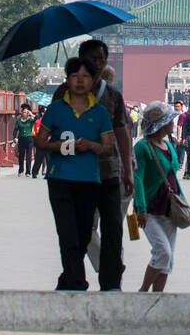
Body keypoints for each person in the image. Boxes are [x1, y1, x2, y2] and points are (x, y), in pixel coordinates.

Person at [35, 56, 113, 291]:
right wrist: (57, 145)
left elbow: (107, 147)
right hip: (60, 178)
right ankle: (78, 282)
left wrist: (90, 145)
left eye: (85, 76)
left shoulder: (99, 112)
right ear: (67, 80)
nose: (80, 81)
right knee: (67, 233)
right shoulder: (56, 109)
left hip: (89, 179)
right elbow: (39, 141)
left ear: (93, 81)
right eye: (74, 76)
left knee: (83, 234)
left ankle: (67, 279)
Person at [77, 39, 135, 292]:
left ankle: (110, 279)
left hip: (111, 174)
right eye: (93, 58)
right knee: (82, 229)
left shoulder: (113, 97)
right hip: (78, 175)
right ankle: (96, 270)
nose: (98, 63)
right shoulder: (67, 94)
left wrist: (129, 174)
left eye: (102, 59)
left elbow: (124, 135)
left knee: (114, 229)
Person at [134, 101, 186, 292]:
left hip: (169, 208)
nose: (174, 122)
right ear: (161, 123)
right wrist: (140, 208)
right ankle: (143, 291)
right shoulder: (142, 148)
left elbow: (172, 176)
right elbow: (137, 179)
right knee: (162, 252)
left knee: (168, 258)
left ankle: (157, 297)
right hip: (149, 209)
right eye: (169, 120)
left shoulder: (168, 145)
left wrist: (182, 201)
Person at [14, 102, 35, 176]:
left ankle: (28, 171)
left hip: (29, 139)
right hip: (21, 139)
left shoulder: (31, 120)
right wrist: (14, 137)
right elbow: (15, 130)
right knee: (21, 156)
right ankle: (21, 170)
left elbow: (38, 120)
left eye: (26, 112)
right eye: (23, 112)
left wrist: (32, 115)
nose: (24, 113)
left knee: (29, 156)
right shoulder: (19, 121)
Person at [31, 108, 48, 178]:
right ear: (42, 113)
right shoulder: (38, 122)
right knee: (38, 159)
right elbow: (37, 132)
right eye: (44, 112)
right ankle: (34, 173)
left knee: (50, 159)